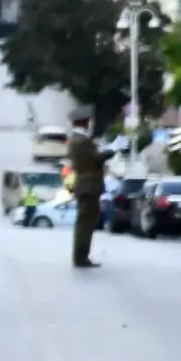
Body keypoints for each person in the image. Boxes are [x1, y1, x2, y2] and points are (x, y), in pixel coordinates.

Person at [66, 109, 107, 266]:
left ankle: (82, 255)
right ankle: (81, 256)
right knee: (86, 223)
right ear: (83, 122)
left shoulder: (78, 139)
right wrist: (110, 151)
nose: (90, 124)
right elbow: (94, 159)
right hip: (88, 185)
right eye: (88, 121)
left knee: (87, 222)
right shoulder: (81, 140)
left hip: (86, 185)